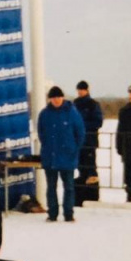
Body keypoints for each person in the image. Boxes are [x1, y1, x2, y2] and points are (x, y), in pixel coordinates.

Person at [37, 86, 85, 222]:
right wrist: (47, 147)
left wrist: (73, 149)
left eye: (58, 97)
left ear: (62, 98)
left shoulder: (72, 113)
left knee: (69, 187)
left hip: (67, 156)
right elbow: (41, 133)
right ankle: (52, 213)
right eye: (53, 98)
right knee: (51, 187)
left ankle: (68, 213)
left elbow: (80, 133)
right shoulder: (44, 114)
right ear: (50, 99)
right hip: (50, 157)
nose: (56, 100)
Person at [73, 81, 104, 204]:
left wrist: (81, 126)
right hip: (77, 142)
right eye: (79, 89)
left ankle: (92, 196)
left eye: (82, 89)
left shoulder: (92, 104)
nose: (80, 91)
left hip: (89, 141)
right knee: (81, 169)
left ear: (87, 90)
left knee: (91, 169)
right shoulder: (75, 104)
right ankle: (81, 197)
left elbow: (98, 122)